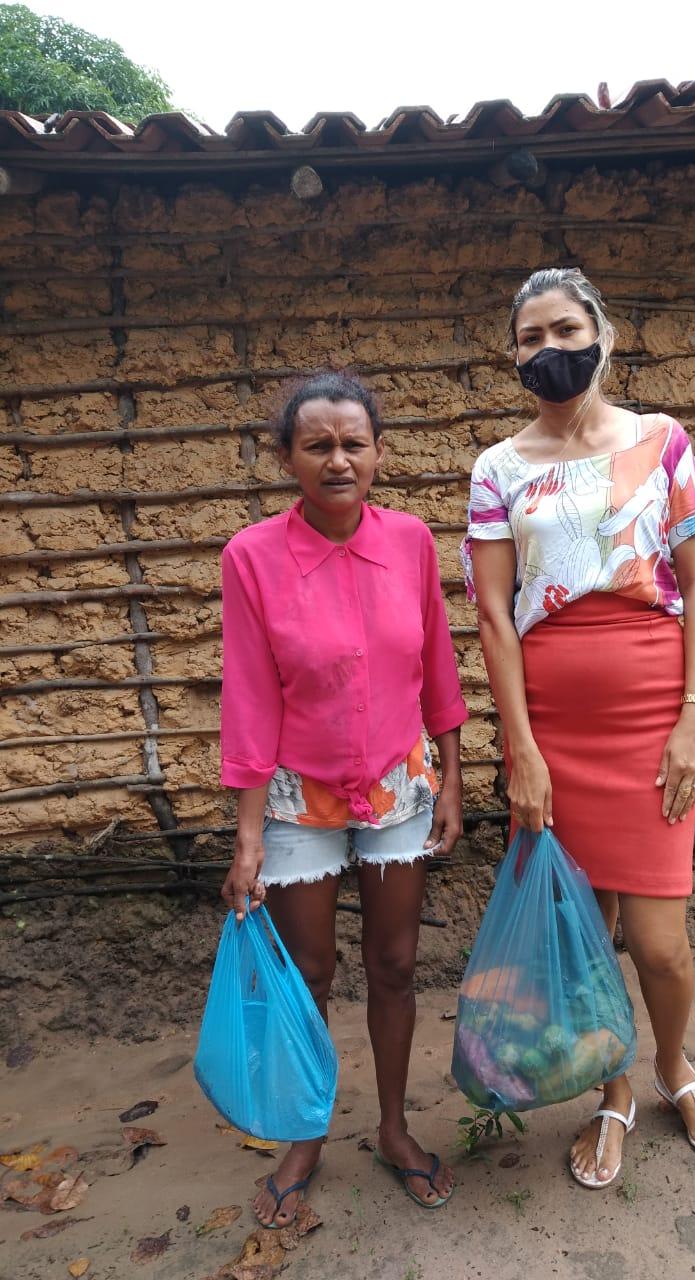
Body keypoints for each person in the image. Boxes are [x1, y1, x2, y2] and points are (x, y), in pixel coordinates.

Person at [463, 268, 695, 1190]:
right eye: (531, 337)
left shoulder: (664, 443)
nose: (550, 349)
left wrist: (694, 716)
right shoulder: (497, 469)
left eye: (566, 329)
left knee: (660, 941)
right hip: (552, 731)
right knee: (587, 935)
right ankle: (614, 1087)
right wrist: (522, 752)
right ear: (513, 355)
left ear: (602, 334)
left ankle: (673, 1064)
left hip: (653, 711)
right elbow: (496, 618)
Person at [219, 371, 467, 1222]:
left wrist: (452, 778)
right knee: (310, 973)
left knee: (395, 965)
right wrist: (249, 835)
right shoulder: (251, 558)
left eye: (353, 443)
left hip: (400, 782)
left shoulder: (411, 543)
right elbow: (249, 696)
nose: (337, 460)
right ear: (286, 456)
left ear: (378, 453)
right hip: (297, 796)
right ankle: (307, 1132)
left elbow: (438, 663)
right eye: (317, 444)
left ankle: (394, 1128)